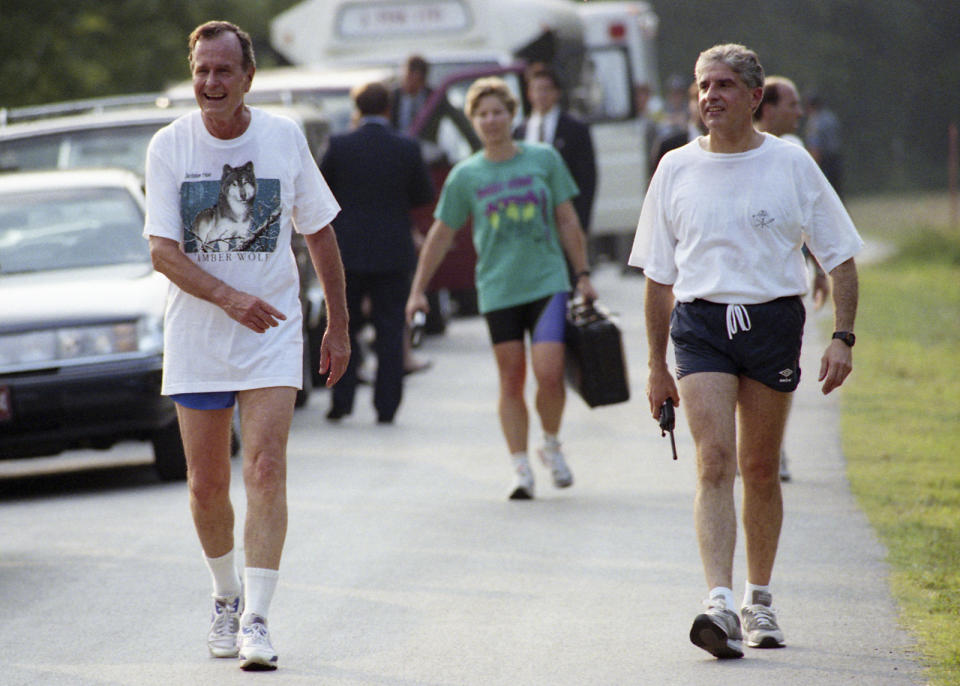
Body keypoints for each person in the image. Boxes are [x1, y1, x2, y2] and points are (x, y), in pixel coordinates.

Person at [628, 44, 862, 659]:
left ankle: (760, 597)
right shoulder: (675, 167)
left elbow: (837, 254)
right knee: (713, 462)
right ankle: (720, 603)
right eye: (704, 86)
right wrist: (656, 365)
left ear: (755, 97)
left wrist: (842, 336)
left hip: (772, 322)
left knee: (759, 468)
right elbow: (657, 279)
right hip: (700, 323)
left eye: (725, 85)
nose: (711, 96)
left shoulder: (790, 163)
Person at [143, 20, 350, 671]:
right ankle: (225, 596)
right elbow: (162, 253)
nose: (210, 83)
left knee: (264, 468)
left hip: (272, 334)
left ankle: (258, 618)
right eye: (202, 70)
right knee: (207, 483)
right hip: (199, 335)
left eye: (223, 71)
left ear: (247, 78)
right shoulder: (169, 146)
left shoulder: (282, 138)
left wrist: (337, 327)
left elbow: (319, 234)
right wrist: (229, 298)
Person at [406, 77, 597, 500]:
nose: (491, 120)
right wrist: (418, 289)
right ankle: (520, 467)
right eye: (482, 114)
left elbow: (567, 219)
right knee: (511, 380)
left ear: (513, 115)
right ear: (473, 122)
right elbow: (440, 235)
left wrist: (582, 274)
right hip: (498, 288)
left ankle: (550, 443)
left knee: (549, 374)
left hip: (547, 280)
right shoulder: (466, 175)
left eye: (498, 112)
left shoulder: (544, 159)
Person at [319, 81, 435, 423]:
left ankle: (342, 400)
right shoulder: (406, 146)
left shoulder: (339, 146)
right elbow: (423, 194)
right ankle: (387, 406)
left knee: (343, 325)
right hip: (392, 250)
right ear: (388, 108)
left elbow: (321, 192)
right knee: (389, 328)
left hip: (348, 252)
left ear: (357, 108)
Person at [754, 75, 830, 482]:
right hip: (736, 287)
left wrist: (818, 269)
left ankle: (773, 446)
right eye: (791, 104)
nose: (799, 112)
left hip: (782, 286)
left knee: (775, 373)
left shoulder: (796, 153)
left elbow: (813, 221)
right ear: (766, 108)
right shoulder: (730, 148)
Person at [514, 66, 598, 235]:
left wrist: (580, 223)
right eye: (536, 89)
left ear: (557, 93)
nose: (541, 95)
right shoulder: (519, 131)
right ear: (529, 93)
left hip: (565, 216)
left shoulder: (576, 129)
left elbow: (587, 178)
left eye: (546, 89)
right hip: (531, 220)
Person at [804, 92, 844, 197]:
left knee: (825, 194)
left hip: (824, 161)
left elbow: (815, 146)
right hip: (836, 159)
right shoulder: (831, 117)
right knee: (837, 193)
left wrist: (812, 169)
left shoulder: (815, 121)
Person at [390, 55, 432, 134]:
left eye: (416, 80)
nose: (410, 84)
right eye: (408, 78)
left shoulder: (432, 97)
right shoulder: (392, 96)